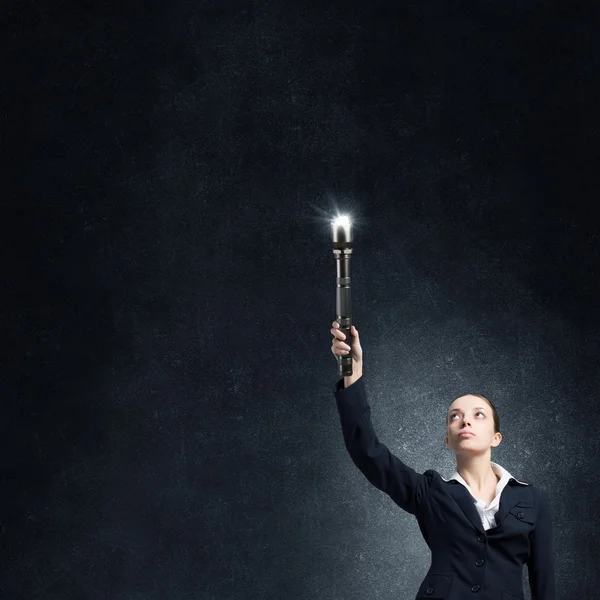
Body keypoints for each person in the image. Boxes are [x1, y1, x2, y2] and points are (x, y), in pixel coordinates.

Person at [330, 321, 556, 600]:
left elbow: (544, 583)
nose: (465, 421)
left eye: (478, 415)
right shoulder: (429, 492)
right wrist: (352, 371)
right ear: (448, 440)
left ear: (496, 438)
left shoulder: (534, 500)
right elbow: (367, 451)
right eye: (455, 416)